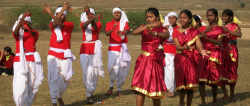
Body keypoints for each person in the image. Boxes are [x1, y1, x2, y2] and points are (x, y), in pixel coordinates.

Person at [131, 7, 170, 106]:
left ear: (157, 17)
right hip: (144, 60)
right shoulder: (145, 27)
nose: (148, 19)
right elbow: (134, 32)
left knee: (155, 89)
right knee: (141, 88)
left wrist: (155, 33)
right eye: (147, 17)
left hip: (156, 60)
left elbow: (167, 35)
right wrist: (150, 25)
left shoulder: (162, 28)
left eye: (151, 17)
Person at [42, 2, 75, 106]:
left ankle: (59, 95)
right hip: (53, 54)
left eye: (62, 14)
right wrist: (56, 12)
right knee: (52, 77)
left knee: (65, 78)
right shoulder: (53, 25)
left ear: (65, 15)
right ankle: (54, 101)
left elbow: (60, 23)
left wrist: (51, 12)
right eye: (58, 14)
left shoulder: (69, 24)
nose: (60, 16)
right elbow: (56, 23)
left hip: (65, 54)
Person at [172, 10, 207, 106]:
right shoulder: (175, 31)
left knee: (191, 85)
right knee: (182, 86)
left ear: (190, 19)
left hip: (192, 60)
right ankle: (182, 102)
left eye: (184, 18)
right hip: (181, 59)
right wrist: (185, 47)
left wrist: (201, 50)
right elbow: (178, 47)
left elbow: (198, 43)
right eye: (180, 17)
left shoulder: (195, 31)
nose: (182, 20)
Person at [12, 10, 44, 106]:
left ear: (29, 23)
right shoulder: (19, 34)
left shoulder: (33, 33)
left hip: (31, 61)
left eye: (26, 22)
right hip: (19, 61)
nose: (23, 24)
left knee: (30, 85)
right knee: (20, 85)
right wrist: (21, 21)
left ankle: (28, 104)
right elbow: (15, 32)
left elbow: (34, 33)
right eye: (22, 22)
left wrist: (27, 26)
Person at [198, 8, 226, 106]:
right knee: (201, 80)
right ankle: (203, 102)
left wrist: (207, 38)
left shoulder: (219, 29)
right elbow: (197, 38)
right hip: (204, 55)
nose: (209, 17)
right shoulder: (203, 28)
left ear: (216, 17)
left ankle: (214, 101)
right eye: (208, 15)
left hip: (215, 55)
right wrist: (205, 32)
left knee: (214, 80)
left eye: (211, 15)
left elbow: (219, 42)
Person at [80, 5, 104, 103]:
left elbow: (94, 27)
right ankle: (88, 95)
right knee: (87, 72)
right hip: (85, 49)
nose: (89, 16)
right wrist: (92, 17)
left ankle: (91, 92)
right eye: (87, 14)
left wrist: (92, 18)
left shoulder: (99, 24)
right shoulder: (83, 24)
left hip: (95, 49)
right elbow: (85, 25)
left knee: (94, 72)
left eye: (91, 14)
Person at [105, 7, 130, 96]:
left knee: (122, 69)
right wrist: (112, 29)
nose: (116, 14)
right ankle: (111, 86)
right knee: (111, 68)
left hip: (123, 48)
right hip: (113, 48)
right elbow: (107, 33)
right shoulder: (109, 23)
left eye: (118, 13)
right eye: (115, 13)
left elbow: (127, 30)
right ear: (113, 14)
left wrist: (123, 33)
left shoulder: (124, 23)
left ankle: (119, 89)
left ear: (121, 14)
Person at [220, 9, 242, 103]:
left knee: (232, 72)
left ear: (230, 17)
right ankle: (225, 95)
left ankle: (232, 95)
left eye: (225, 16)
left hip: (232, 51)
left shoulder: (235, 26)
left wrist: (228, 31)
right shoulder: (221, 26)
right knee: (221, 72)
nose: (224, 18)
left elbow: (239, 34)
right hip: (222, 51)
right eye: (223, 16)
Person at [162, 12, 179, 97]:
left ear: (176, 19)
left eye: (173, 18)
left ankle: (176, 87)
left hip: (176, 51)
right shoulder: (163, 28)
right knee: (169, 70)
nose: (171, 20)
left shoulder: (179, 28)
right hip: (166, 51)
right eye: (170, 18)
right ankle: (169, 89)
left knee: (175, 70)